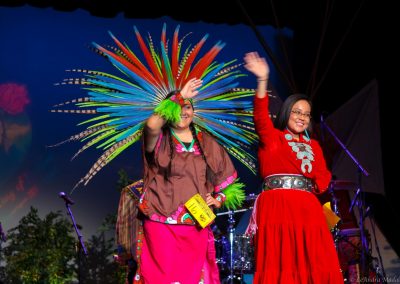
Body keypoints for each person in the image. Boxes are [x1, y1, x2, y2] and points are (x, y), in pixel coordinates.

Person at [243, 51, 344, 283]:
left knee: (316, 262)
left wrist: (319, 180)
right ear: (286, 112)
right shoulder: (273, 138)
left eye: (307, 115)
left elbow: (321, 178)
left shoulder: (315, 145)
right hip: (277, 206)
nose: (302, 117)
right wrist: (262, 80)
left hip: (307, 208)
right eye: (297, 112)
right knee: (281, 262)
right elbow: (260, 116)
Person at [134, 78, 246, 284]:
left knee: (193, 279)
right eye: (177, 107)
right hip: (161, 223)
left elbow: (230, 185)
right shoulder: (157, 140)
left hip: (195, 224)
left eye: (187, 107)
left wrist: (219, 199)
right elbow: (151, 126)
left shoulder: (207, 142)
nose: (183, 111)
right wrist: (180, 96)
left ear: (194, 112)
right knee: (162, 278)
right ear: (168, 112)